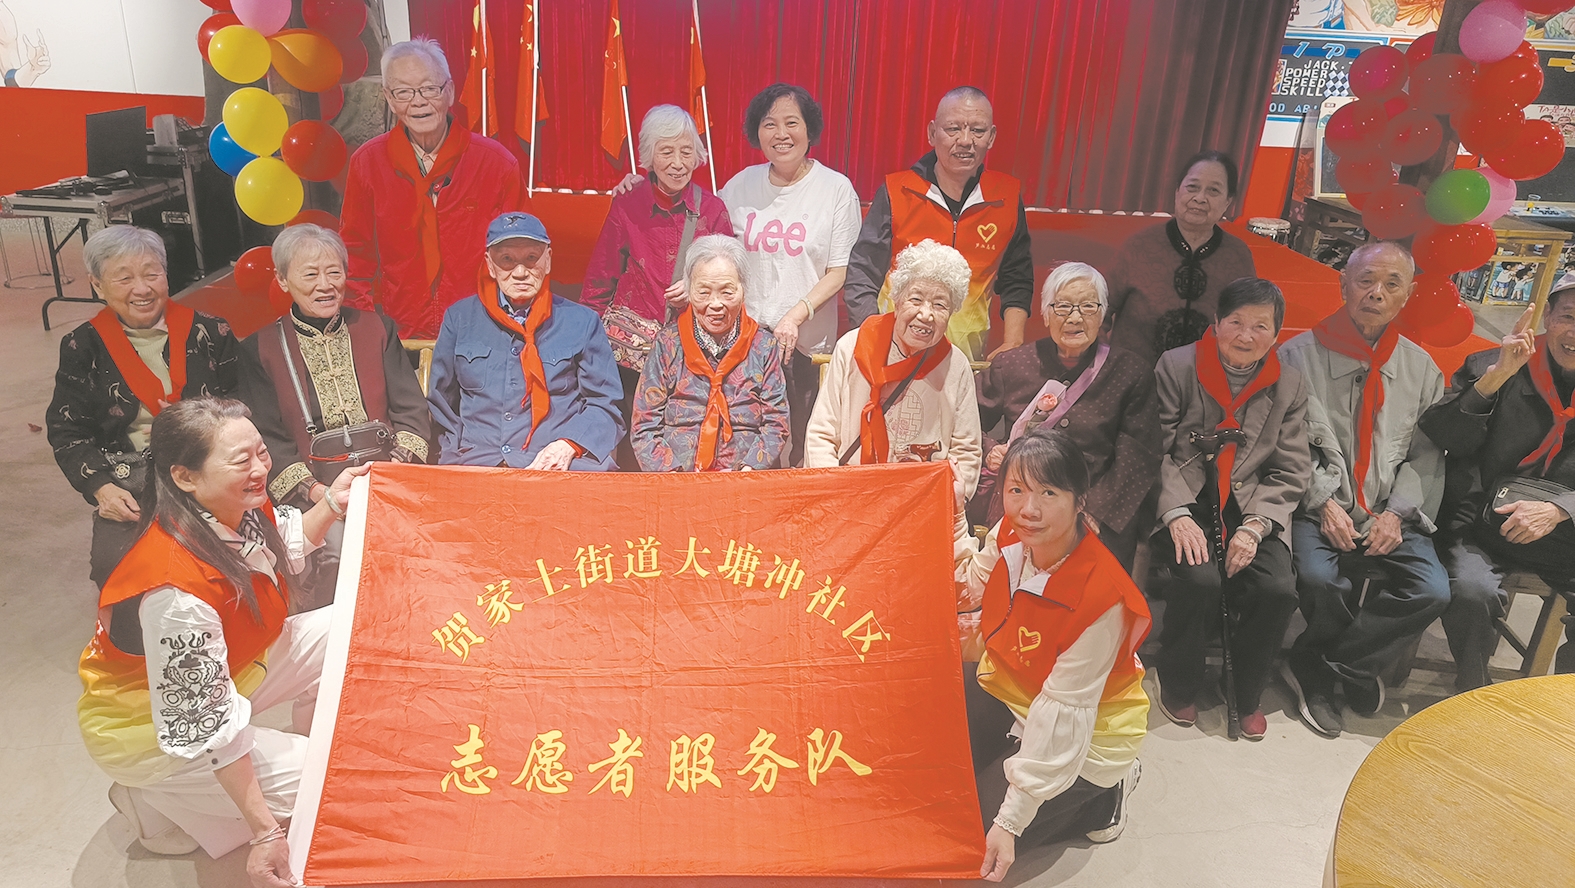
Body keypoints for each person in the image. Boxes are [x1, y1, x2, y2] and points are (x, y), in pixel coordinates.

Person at [77, 397, 363, 884]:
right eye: (240, 460)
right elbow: (204, 724)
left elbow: (284, 545)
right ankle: (157, 791)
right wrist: (265, 833)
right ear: (185, 476)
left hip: (233, 670)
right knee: (336, 778)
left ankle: (288, 760)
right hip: (146, 730)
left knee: (355, 627)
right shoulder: (174, 594)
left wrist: (333, 503)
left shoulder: (233, 506)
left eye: (261, 452)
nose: (260, 469)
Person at [955, 431, 1150, 882]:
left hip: (1086, 731)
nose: (1029, 509)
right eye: (1017, 490)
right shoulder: (1012, 534)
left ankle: (1102, 800)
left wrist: (1009, 822)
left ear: (1080, 501)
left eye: (1048, 493)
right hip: (1014, 692)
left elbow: (1063, 713)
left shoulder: (1102, 598)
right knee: (936, 764)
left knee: (971, 841)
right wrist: (949, 516)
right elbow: (966, 588)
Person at [1277, 242, 1449, 738]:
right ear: (1343, 285)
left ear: (1407, 295)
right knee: (1319, 578)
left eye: (1392, 284)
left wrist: (1397, 513)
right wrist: (1323, 502)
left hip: (1391, 509)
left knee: (1432, 591)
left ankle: (1328, 664)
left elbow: (1427, 454)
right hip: (1317, 505)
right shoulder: (1295, 357)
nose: (1377, 293)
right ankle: (1339, 672)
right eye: (1366, 280)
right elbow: (1284, 444)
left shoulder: (1421, 368)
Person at [234, 224, 430, 603]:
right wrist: (320, 494)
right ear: (283, 280)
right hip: (314, 491)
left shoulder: (377, 328)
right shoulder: (261, 348)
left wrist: (392, 473)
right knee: (338, 562)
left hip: (388, 476)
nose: (325, 285)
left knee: (415, 555)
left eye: (334, 272)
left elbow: (412, 412)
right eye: (310, 274)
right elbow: (268, 439)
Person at [1151, 278, 1311, 739]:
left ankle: (1245, 690)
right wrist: (1176, 513)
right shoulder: (1176, 366)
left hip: (1252, 503)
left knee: (1278, 588)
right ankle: (1178, 682)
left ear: (1276, 333)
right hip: (1189, 495)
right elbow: (1153, 449)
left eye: (1260, 326)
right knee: (1200, 579)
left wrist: (1256, 527)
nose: (1245, 335)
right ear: (1217, 322)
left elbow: (1292, 467)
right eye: (1236, 322)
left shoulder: (1289, 382)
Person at [47, 226, 238, 589]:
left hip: (210, 473)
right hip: (132, 483)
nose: (142, 289)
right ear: (97, 285)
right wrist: (101, 488)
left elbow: (245, 404)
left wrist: (199, 422)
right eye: (124, 278)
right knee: (121, 572)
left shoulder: (212, 332)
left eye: (152, 274)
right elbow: (67, 430)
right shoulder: (82, 346)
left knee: (234, 561)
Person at [1421, 278, 1575, 687]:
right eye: (1568, 317)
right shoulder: (1494, 364)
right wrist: (1496, 378)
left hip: (1562, 533)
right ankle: (1474, 691)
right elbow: (1443, 436)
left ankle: (1565, 705)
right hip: (1480, 528)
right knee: (1472, 591)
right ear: (1547, 316)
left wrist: (1560, 509)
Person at [973, 262, 1160, 567]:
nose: (1075, 317)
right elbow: (965, 419)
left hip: (1094, 509)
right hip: (1021, 505)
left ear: (1103, 315)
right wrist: (992, 449)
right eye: (1062, 307)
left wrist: (1092, 511)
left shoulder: (1130, 373)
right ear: (1046, 314)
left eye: (1088, 306)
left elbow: (1139, 455)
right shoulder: (1014, 364)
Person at [340, 37, 527, 339]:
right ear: (388, 98)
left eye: (429, 88)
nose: (418, 102)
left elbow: (523, 255)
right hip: (399, 333)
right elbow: (355, 256)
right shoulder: (367, 164)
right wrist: (368, 331)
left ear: (449, 91)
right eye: (403, 91)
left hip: (481, 331)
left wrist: (508, 325)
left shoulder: (497, 164)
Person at [718, 83, 863, 466]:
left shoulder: (835, 190)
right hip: (745, 343)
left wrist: (795, 316)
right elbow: (708, 238)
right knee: (746, 448)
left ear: (809, 129)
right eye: (770, 124)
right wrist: (643, 184)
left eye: (791, 123)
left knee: (801, 448)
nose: (781, 134)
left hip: (805, 348)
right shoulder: (739, 186)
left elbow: (839, 271)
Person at [581, 104, 732, 469]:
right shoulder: (627, 205)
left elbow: (731, 284)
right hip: (628, 363)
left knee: (685, 451)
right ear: (649, 156)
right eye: (666, 152)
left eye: (686, 152)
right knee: (632, 452)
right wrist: (584, 348)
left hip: (691, 360)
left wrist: (696, 288)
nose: (678, 163)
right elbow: (599, 282)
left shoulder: (713, 210)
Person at [843, 86, 1033, 362]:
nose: (965, 140)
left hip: (965, 357)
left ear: (991, 137)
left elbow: (1017, 277)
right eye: (953, 129)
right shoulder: (898, 191)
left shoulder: (1006, 197)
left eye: (978, 130)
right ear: (932, 133)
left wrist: (1013, 341)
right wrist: (872, 335)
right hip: (893, 353)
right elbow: (863, 271)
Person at [428, 212, 623, 471]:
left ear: (548, 260)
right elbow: (442, 404)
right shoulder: (460, 318)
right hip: (477, 463)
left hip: (559, 466)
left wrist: (569, 445)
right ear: (490, 265)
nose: (520, 272)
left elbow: (605, 404)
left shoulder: (582, 322)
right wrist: (453, 458)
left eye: (531, 258)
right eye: (507, 260)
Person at [804, 240, 983, 500]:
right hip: (848, 493)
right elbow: (821, 435)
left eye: (940, 305)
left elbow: (966, 452)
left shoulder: (956, 365)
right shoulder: (852, 347)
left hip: (921, 501)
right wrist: (835, 496)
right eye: (916, 299)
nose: (926, 315)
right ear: (897, 301)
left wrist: (945, 501)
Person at [631, 235, 789, 471]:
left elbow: (776, 422)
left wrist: (748, 472)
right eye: (704, 292)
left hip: (744, 478)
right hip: (679, 478)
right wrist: (673, 475)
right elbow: (644, 424)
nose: (715, 304)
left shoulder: (764, 346)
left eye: (727, 292)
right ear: (689, 291)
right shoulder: (668, 344)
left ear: (743, 290)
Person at [1106, 151, 1258, 368]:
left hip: (1205, 380)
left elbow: (1250, 322)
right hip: (1134, 377)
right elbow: (1099, 310)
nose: (1200, 198)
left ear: (1228, 202)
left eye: (1213, 190)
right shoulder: (1139, 246)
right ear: (1177, 192)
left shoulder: (1237, 256)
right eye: (1192, 187)